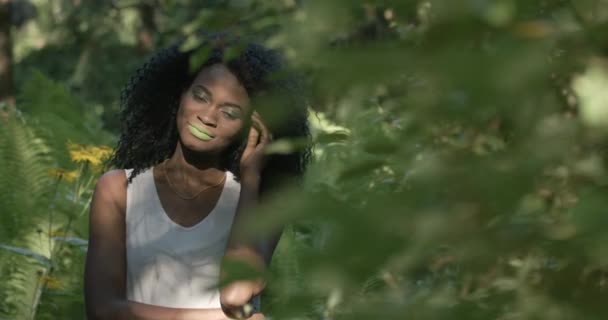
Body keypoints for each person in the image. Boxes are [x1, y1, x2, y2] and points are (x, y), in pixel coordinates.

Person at [84, 31, 310, 319]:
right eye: (201, 96)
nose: (208, 116)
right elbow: (102, 310)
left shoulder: (259, 204)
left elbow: (236, 295)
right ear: (180, 94)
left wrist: (251, 178)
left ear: (251, 129)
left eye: (230, 113)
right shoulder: (119, 189)